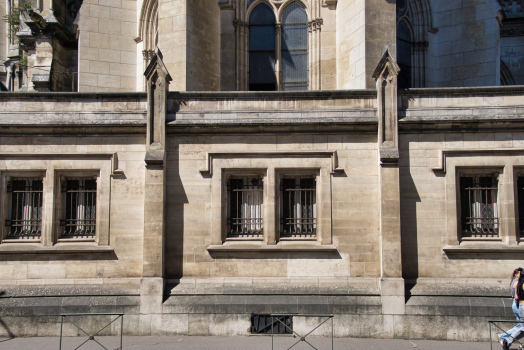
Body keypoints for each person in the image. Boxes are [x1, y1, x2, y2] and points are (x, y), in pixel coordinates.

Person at [499, 268, 524, 345]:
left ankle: (507, 340)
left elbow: (516, 296)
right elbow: (516, 297)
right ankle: (505, 339)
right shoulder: (518, 283)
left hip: (520, 305)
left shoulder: (518, 283)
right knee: (521, 327)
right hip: (520, 305)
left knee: (521, 327)